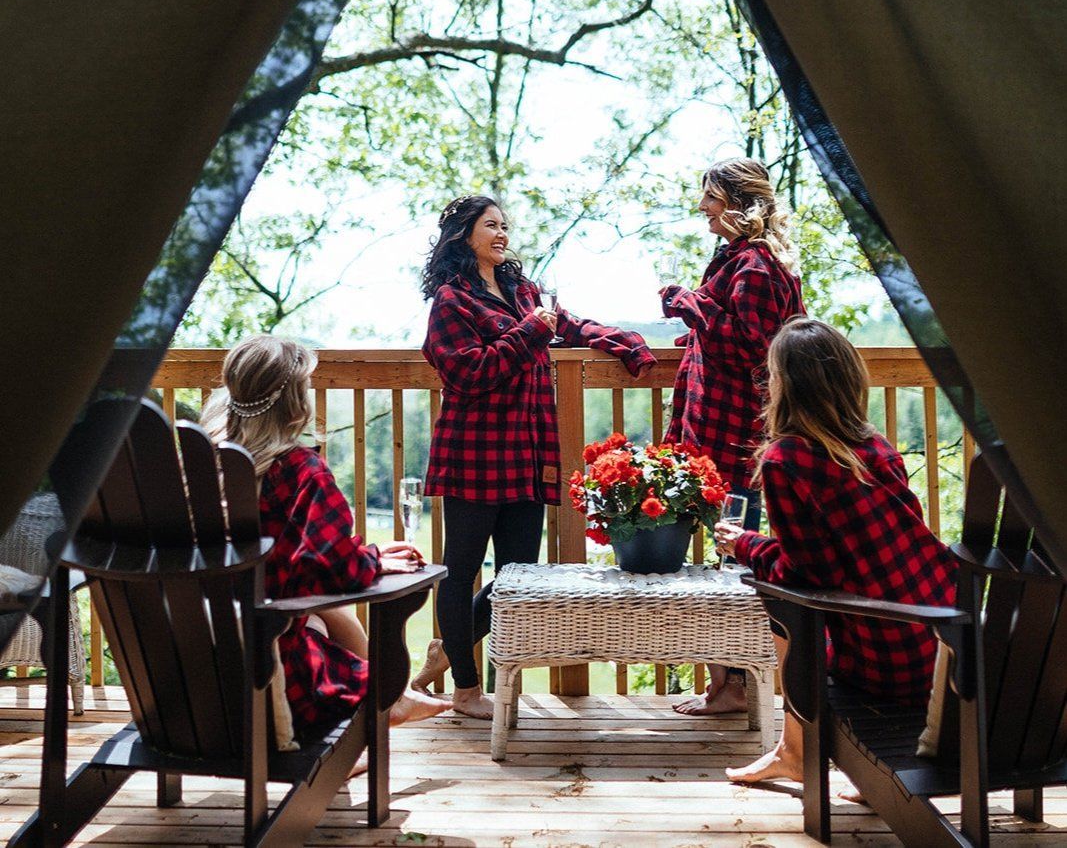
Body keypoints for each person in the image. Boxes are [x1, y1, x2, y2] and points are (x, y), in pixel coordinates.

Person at [412, 194, 656, 719]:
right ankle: (464, 688)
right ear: (463, 235)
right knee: (461, 571)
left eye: (505, 226)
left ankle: (451, 649)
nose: (501, 234)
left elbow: (573, 326)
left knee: (518, 574)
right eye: (490, 226)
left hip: (525, 452)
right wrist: (532, 331)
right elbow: (469, 373)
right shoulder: (452, 302)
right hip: (473, 453)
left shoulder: (524, 292)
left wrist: (629, 344)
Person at [715, 317, 957, 785]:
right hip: (946, 641)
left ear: (782, 384)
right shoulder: (877, 447)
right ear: (849, 377)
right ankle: (831, 762)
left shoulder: (787, 460)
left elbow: (801, 574)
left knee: (782, 603)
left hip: (889, 663)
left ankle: (795, 752)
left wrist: (745, 544)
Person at [200, 335, 451, 756]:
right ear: (296, 404)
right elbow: (333, 569)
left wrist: (368, 556)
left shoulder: (207, 464)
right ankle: (385, 709)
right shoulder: (301, 471)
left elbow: (296, 563)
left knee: (319, 615)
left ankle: (397, 703)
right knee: (333, 629)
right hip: (281, 679)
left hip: (198, 672)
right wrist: (369, 563)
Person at [660, 158, 805, 716]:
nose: (703, 209)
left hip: (739, 439)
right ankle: (726, 685)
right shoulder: (738, 262)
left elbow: (752, 349)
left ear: (742, 204)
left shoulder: (758, 267)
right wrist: (693, 332)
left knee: (737, 560)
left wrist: (685, 301)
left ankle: (740, 687)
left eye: (713, 199)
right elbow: (726, 333)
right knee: (726, 560)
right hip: (715, 435)